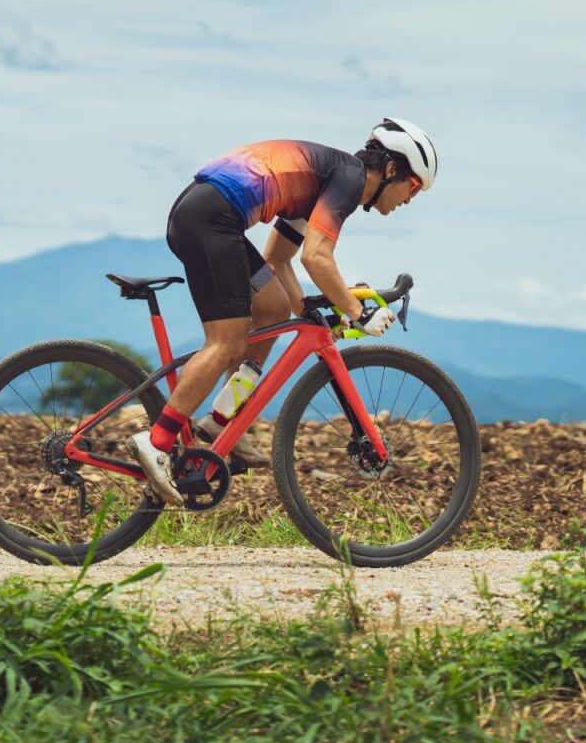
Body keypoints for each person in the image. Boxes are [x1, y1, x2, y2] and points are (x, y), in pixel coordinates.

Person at [131, 118, 439, 506]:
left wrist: (310, 307)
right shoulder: (347, 180)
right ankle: (157, 440)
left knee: (274, 310)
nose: (410, 199)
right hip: (212, 221)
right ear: (391, 169)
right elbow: (317, 257)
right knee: (226, 343)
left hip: (210, 215)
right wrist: (358, 312)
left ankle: (221, 422)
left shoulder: (328, 180)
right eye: (412, 187)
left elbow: (279, 260)